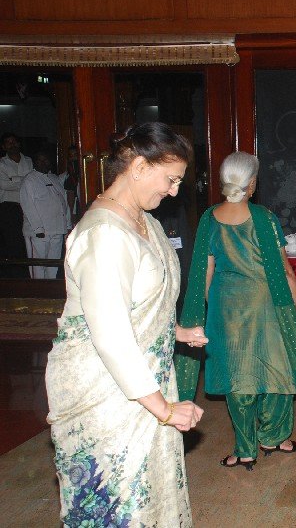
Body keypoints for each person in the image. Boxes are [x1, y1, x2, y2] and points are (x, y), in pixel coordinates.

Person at [45, 122, 208, 526]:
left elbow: (135, 305)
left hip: (143, 383)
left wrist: (174, 332)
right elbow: (112, 337)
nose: (174, 191)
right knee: (121, 503)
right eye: (171, 179)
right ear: (138, 167)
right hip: (107, 391)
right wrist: (165, 410)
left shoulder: (144, 220)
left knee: (151, 495)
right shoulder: (104, 234)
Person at [177, 151, 296, 472]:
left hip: (225, 308)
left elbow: (205, 271)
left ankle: (245, 450)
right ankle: (274, 437)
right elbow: (286, 272)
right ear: (253, 183)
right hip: (268, 306)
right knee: (278, 371)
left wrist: (210, 311)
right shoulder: (264, 218)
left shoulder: (209, 218)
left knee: (238, 377)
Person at [19, 151, 70, 279]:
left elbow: (63, 203)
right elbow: (28, 205)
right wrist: (38, 229)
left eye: (45, 160)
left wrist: (67, 225)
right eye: (40, 160)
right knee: (38, 264)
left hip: (57, 230)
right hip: (39, 232)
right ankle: (37, 288)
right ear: (34, 162)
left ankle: (49, 287)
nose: (43, 163)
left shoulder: (55, 178)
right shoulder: (29, 180)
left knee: (53, 264)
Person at [0, 132, 33, 277]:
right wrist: (24, 180)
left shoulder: (29, 161)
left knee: (26, 241)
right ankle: (14, 277)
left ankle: (28, 275)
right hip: (9, 207)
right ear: (3, 147)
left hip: (28, 205)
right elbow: (3, 185)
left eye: (14, 141)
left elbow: (32, 181)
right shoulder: (1, 163)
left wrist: (13, 179)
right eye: (8, 142)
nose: (12, 144)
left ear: (19, 143)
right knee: (12, 242)